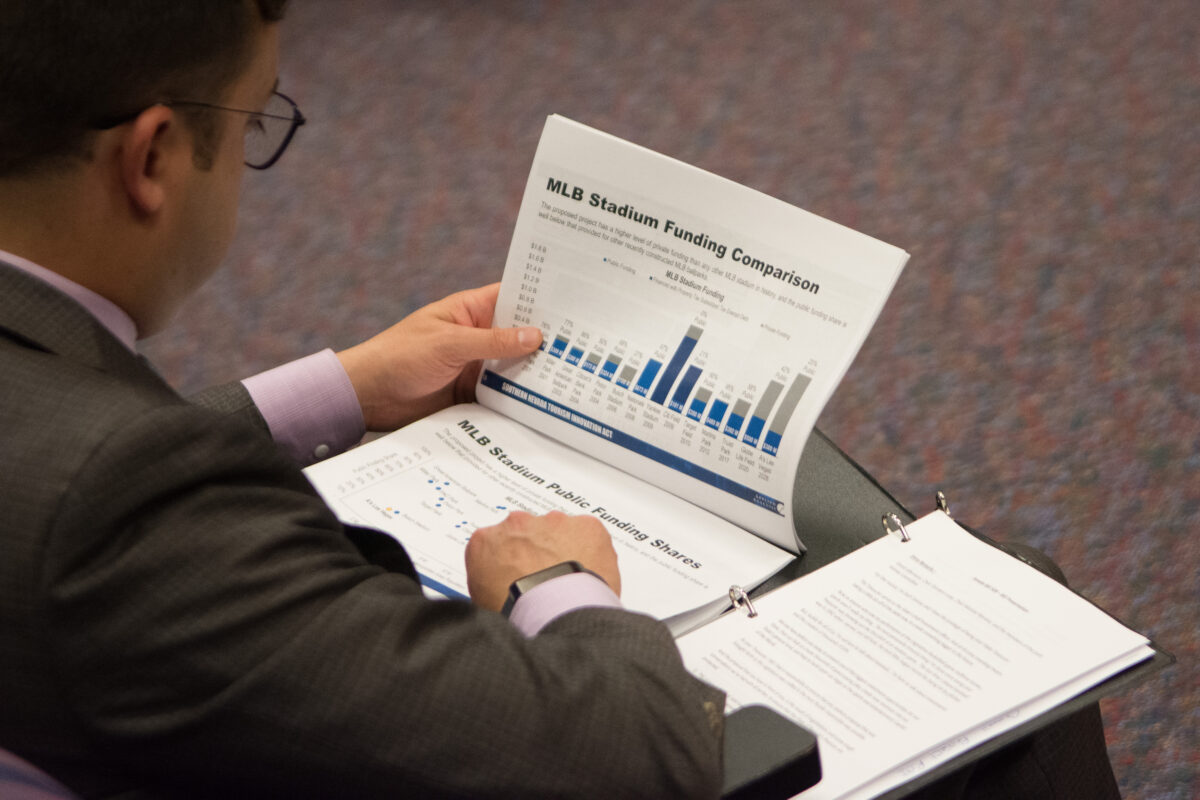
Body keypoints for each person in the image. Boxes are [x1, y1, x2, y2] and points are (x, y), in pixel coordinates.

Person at [0, 2, 723, 798]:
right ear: (153, 159)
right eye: (252, 121)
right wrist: (552, 585)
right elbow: (633, 758)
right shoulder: (128, 521)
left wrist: (345, 386)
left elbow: (41, 444)